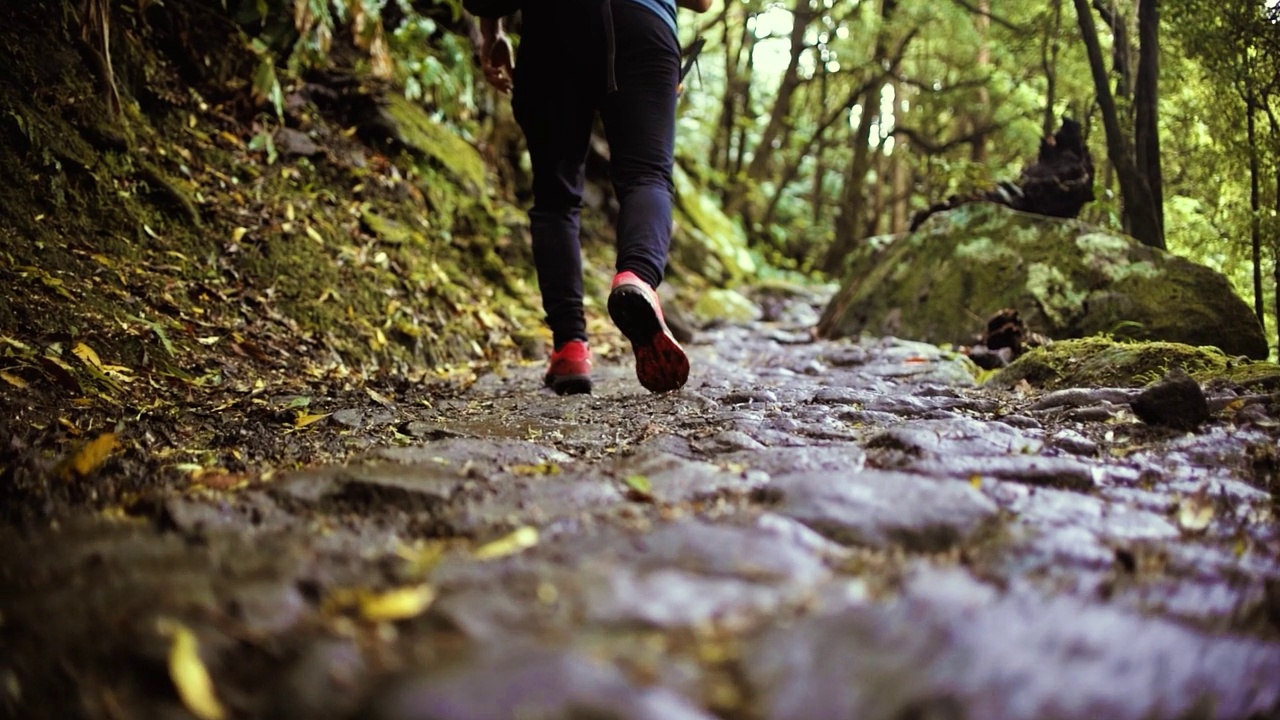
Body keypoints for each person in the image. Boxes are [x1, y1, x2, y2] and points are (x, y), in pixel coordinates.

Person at [476, 0, 712, 395]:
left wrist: (491, 31)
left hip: (552, 27)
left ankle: (570, 348)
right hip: (644, 27)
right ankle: (637, 278)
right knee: (646, 177)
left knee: (555, 198)